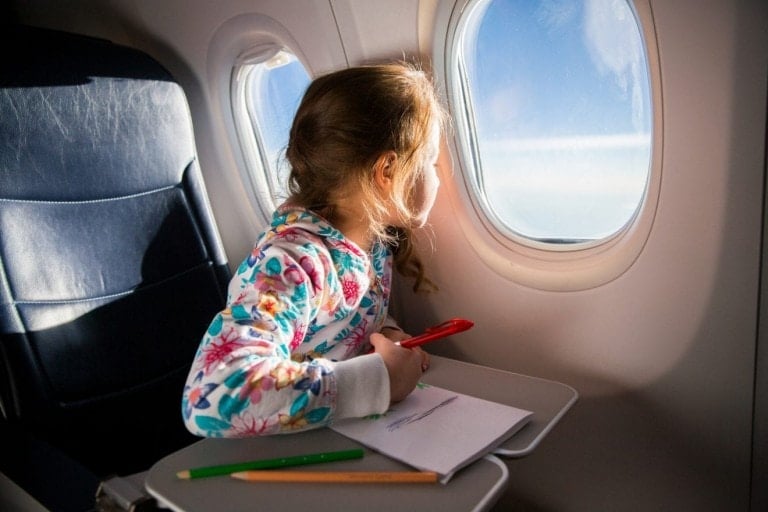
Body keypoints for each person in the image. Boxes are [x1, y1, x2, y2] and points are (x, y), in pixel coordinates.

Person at [182, 62, 447, 437]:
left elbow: (339, 322)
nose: (438, 176)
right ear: (387, 170)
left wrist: (385, 334)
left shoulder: (369, 245)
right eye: (431, 161)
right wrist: (380, 381)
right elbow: (213, 396)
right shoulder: (292, 263)